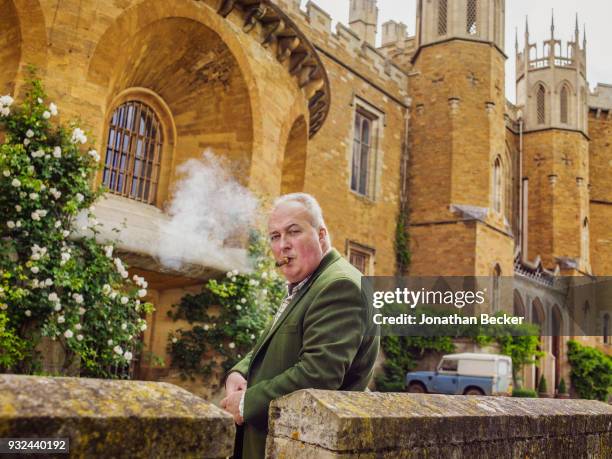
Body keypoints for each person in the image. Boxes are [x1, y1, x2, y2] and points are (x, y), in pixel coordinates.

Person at [220, 193, 379, 459]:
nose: (283, 245)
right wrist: (239, 371)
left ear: (321, 234)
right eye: (275, 236)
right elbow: (277, 341)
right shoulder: (310, 282)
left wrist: (247, 403)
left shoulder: (339, 285)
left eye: (293, 232)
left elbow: (320, 373)